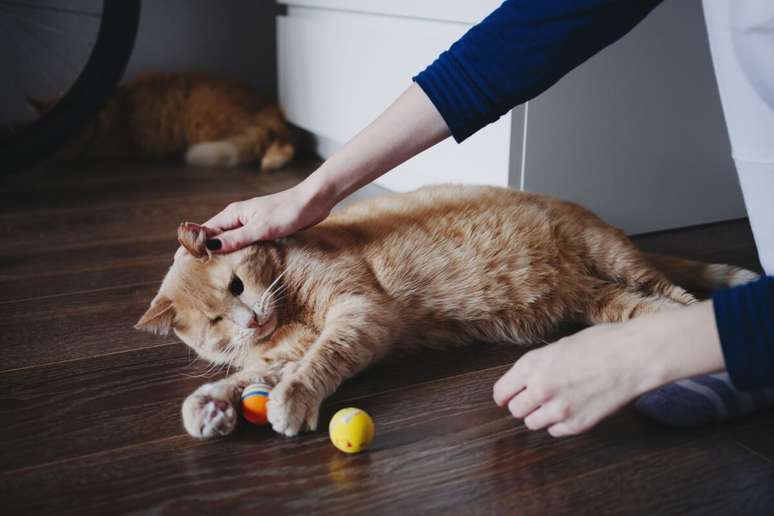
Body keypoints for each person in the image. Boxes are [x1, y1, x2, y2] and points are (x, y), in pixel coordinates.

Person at [200, 0, 774, 436]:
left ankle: (728, 334)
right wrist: (317, 189)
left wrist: (642, 351)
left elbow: (360, 316)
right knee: (605, 297)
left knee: (628, 281)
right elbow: (533, 30)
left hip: (539, 247)